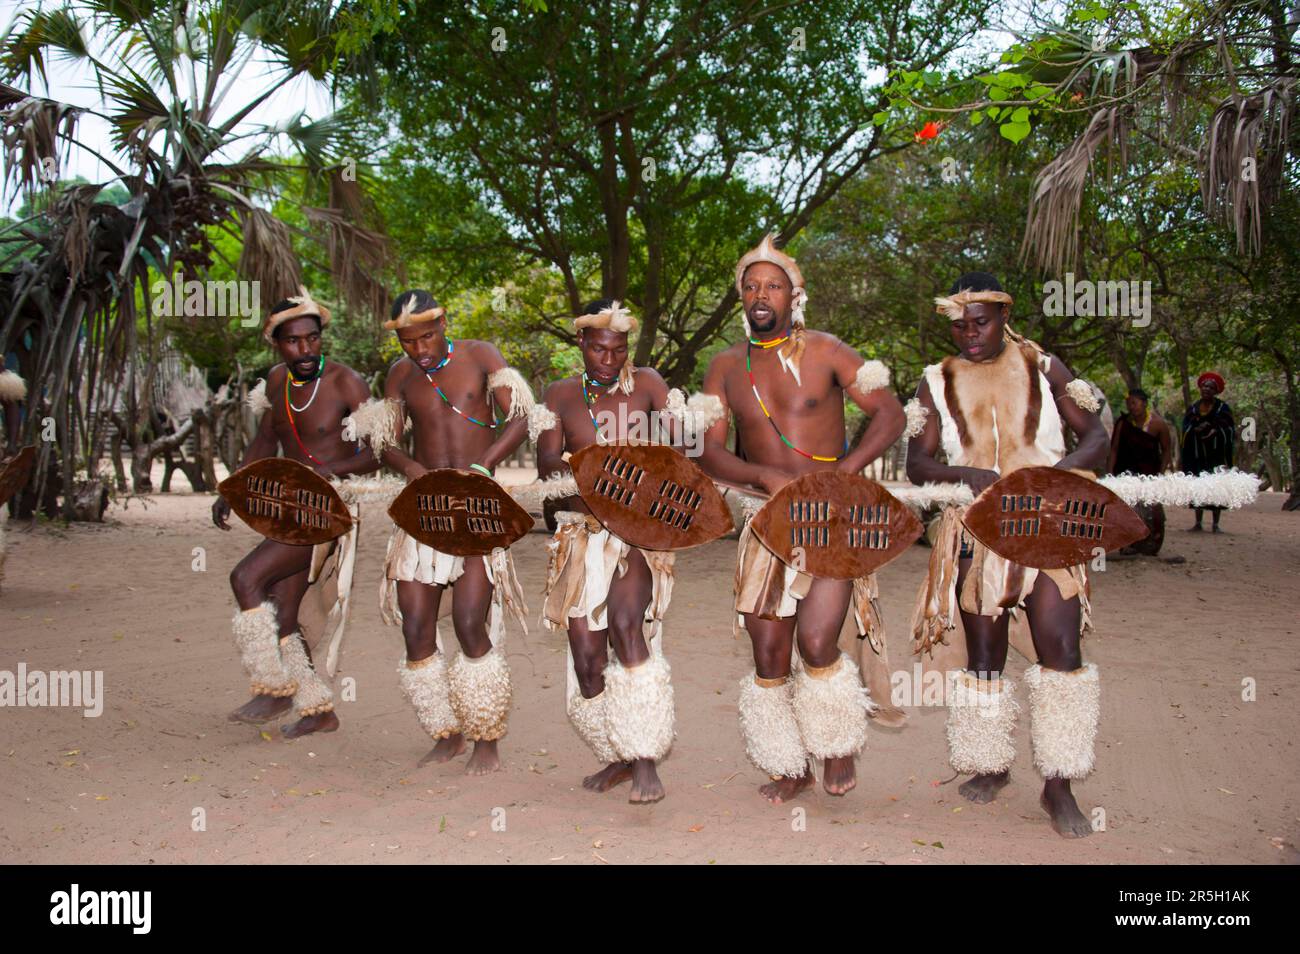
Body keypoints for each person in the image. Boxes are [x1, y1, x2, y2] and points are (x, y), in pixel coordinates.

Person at [695, 234, 906, 804]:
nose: (762, 294)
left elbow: (890, 414)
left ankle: (835, 743)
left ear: (795, 294)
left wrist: (844, 473)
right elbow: (711, 452)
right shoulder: (723, 367)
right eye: (752, 286)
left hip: (828, 518)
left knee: (816, 642)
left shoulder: (830, 351)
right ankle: (789, 765)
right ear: (741, 296)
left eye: (774, 285)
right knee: (768, 656)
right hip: (766, 523)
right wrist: (764, 478)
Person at [905, 272, 1110, 838]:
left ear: (1004, 316)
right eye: (959, 325)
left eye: (981, 323)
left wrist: (1052, 477)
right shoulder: (934, 380)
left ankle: (1059, 784)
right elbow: (916, 465)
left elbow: (1097, 438)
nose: (969, 334)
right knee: (985, 657)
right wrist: (963, 472)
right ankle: (991, 764)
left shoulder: (1044, 367)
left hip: (1048, 528)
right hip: (976, 530)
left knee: (1061, 651)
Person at [346, 290, 532, 776]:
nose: (420, 348)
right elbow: (384, 442)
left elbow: (520, 417)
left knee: (470, 621)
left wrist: (485, 464)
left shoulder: (481, 355)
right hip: (425, 509)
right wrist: (409, 466)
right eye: (409, 341)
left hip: (477, 507)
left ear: (444, 323)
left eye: (427, 336)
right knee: (414, 627)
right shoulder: (401, 376)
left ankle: (486, 736)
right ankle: (445, 731)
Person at [534, 299, 682, 803]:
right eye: (599, 348)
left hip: (637, 533)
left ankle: (645, 760)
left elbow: (684, 448)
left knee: (625, 626)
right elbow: (548, 471)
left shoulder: (649, 386)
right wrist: (588, 479)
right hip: (580, 533)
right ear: (581, 343)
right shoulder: (558, 395)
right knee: (586, 660)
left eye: (618, 349)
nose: (609, 358)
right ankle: (618, 752)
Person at [213, 289, 379, 738]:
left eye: (312, 339)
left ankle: (274, 686)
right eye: (293, 342)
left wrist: (329, 469)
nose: (304, 350)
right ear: (277, 344)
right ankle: (317, 711)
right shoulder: (275, 382)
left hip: (331, 509)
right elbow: (266, 440)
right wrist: (234, 485)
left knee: (246, 578)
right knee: (284, 616)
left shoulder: (347, 382)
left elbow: (379, 453)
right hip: (291, 506)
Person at [1107, 388, 1173, 554]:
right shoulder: (1123, 424)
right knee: (1127, 508)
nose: (1131, 407)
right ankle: (1128, 543)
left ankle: (1151, 543)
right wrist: (1109, 474)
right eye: (1129, 404)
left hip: (1148, 472)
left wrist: (1160, 474)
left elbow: (1166, 451)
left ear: (1144, 404)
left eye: (1134, 403)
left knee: (1151, 509)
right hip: (1125, 471)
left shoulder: (1158, 425)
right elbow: (1114, 449)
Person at [1180, 372, 1235, 533]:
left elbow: (1229, 429)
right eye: (1204, 386)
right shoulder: (1193, 408)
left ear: (1216, 391)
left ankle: (1215, 524)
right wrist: (1194, 430)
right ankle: (1198, 522)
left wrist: (1214, 431)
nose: (1206, 389)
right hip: (1197, 455)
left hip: (1215, 456)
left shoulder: (1222, 408)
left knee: (1215, 488)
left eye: (1210, 387)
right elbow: (1186, 428)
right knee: (1198, 487)